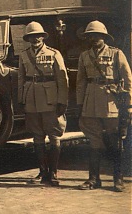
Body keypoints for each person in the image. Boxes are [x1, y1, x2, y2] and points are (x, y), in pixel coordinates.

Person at [76, 20, 132, 192]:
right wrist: (80, 104)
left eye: (97, 36)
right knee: (94, 142)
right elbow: (81, 81)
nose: (94, 39)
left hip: (111, 102)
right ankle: (93, 179)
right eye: (90, 36)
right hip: (91, 103)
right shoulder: (84, 56)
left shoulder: (116, 54)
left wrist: (129, 104)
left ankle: (118, 179)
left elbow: (128, 79)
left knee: (115, 142)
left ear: (104, 37)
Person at [18, 22, 69, 186]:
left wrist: (62, 101)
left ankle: (53, 173)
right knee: (37, 136)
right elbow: (21, 78)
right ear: (28, 39)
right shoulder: (24, 55)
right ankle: (42, 172)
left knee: (54, 135)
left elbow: (63, 79)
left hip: (50, 99)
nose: (35, 39)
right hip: (31, 100)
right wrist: (21, 99)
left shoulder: (54, 54)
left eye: (37, 36)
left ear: (43, 37)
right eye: (31, 36)